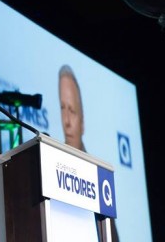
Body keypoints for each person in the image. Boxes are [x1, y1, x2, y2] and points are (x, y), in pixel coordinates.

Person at [58, 64, 120, 241]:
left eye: (72, 111)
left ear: (83, 121)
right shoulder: (53, 164)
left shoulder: (98, 175)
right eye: (62, 108)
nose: (67, 121)